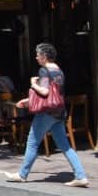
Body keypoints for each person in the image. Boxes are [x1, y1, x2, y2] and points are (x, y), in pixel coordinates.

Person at [6, 43, 89, 187]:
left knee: (32, 142)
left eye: (38, 54)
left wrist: (33, 84)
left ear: (44, 57)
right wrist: (28, 100)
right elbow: (55, 94)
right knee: (65, 145)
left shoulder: (44, 71)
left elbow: (45, 92)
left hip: (47, 113)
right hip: (59, 112)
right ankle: (80, 176)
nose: (36, 57)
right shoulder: (59, 71)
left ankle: (22, 174)